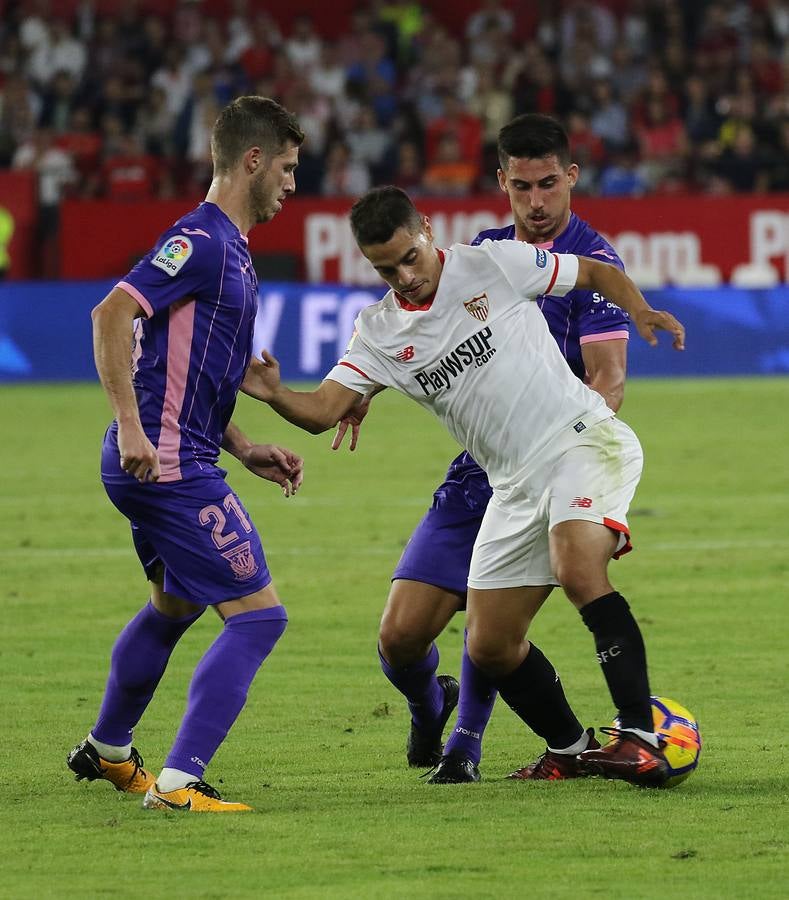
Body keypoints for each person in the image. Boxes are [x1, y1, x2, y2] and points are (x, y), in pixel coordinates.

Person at [241, 184, 685, 790]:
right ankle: (572, 748)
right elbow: (323, 410)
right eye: (385, 268)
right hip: (511, 485)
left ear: (427, 229)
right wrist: (273, 394)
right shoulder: (377, 331)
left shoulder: (491, 263)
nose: (403, 276)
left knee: (579, 568)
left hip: (581, 440)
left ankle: (639, 737)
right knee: (491, 644)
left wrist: (641, 308)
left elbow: (593, 273)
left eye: (409, 257)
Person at [335, 114, 633, 784]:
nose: (534, 201)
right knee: (400, 636)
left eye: (546, 185)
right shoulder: (479, 255)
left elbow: (607, 381)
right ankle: (433, 708)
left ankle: (465, 747)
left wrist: (580, 478)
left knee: (489, 612)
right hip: (480, 469)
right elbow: (424, 340)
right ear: (500, 182)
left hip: (556, 457)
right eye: (520, 186)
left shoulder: (592, 259)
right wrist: (362, 390)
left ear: (569, 179)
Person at [66, 96, 305, 813]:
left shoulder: (234, 252)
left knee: (174, 606)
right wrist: (131, 427)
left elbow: (193, 367)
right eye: (288, 168)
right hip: (165, 462)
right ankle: (178, 784)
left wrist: (245, 442)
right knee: (259, 618)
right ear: (253, 160)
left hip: (177, 452)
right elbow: (112, 313)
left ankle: (108, 749)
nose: (293, 184)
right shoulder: (199, 241)